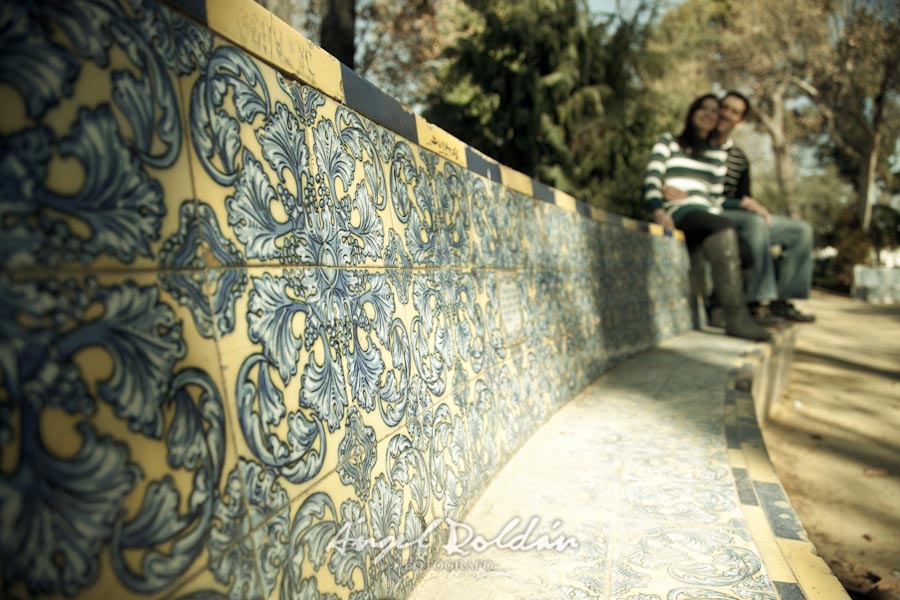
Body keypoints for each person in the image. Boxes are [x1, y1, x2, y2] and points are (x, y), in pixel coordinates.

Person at [644, 94, 771, 341]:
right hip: (679, 210)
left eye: (715, 111)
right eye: (703, 108)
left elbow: (715, 199)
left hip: (706, 212)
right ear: (692, 112)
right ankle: (737, 318)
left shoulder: (717, 156)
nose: (709, 114)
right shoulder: (668, 142)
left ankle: (719, 311)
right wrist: (657, 208)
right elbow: (652, 179)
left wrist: (744, 203)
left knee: (746, 253)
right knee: (723, 227)